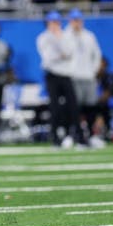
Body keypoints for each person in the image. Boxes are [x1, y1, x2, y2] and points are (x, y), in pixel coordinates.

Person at [36, 11, 81, 147]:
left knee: (73, 106)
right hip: (52, 74)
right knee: (54, 107)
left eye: (57, 22)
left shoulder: (66, 36)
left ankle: (77, 136)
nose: (55, 25)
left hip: (66, 74)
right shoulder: (42, 37)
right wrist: (59, 52)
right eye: (52, 22)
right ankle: (55, 138)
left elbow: (68, 53)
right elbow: (48, 58)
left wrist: (58, 40)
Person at [64, 9, 102, 144]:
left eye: (78, 20)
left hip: (88, 76)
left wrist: (94, 70)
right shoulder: (65, 36)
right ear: (70, 21)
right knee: (74, 108)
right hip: (73, 76)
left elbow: (97, 55)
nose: (76, 23)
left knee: (91, 107)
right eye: (74, 20)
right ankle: (71, 134)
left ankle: (91, 135)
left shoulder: (89, 36)